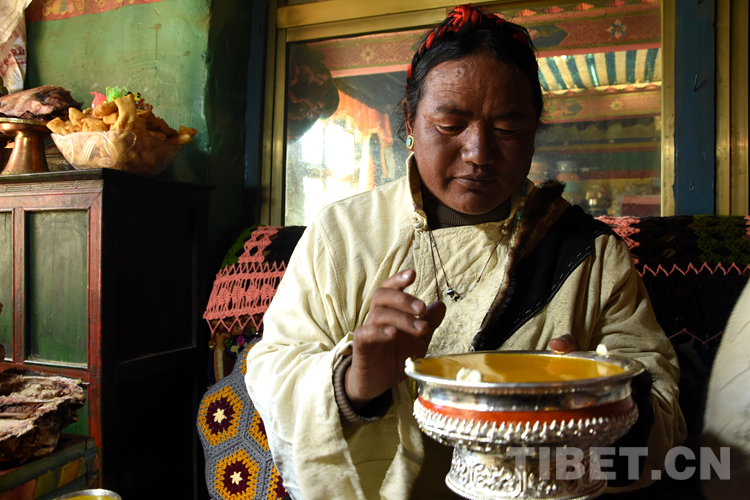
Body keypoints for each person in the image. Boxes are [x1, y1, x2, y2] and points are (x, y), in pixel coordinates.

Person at [245, 5, 686, 499]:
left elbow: (665, 415)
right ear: (410, 121)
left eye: (507, 129)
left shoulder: (591, 255)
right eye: (450, 124)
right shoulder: (343, 235)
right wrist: (354, 381)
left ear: (534, 132)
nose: (478, 153)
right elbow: (272, 370)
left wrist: (599, 401)